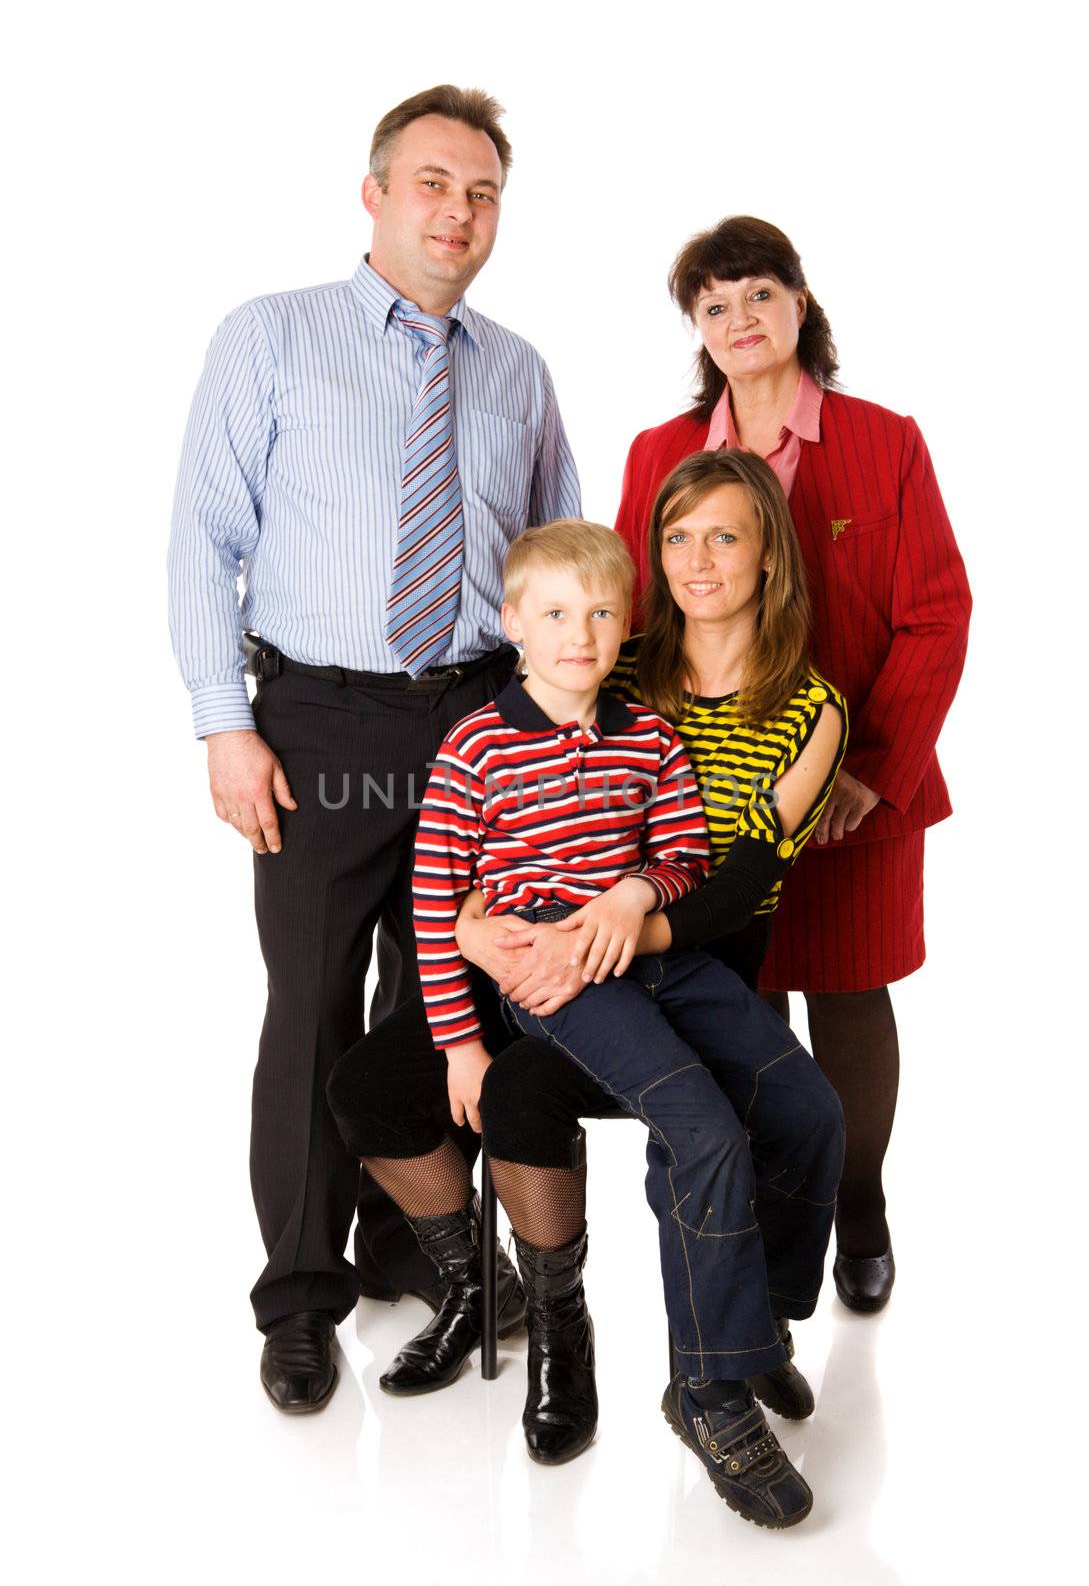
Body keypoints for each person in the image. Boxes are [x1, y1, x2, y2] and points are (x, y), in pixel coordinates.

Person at [167, 84, 580, 1413]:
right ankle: (299, 1296)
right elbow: (203, 540)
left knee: (444, 1007)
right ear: (375, 192)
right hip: (319, 721)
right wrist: (225, 723)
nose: (458, 213)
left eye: (482, 193)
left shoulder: (518, 371)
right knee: (312, 1007)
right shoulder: (271, 339)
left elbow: (558, 560)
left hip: (474, 723)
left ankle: (413, 1239)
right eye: (433, 183)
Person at [329, 482, 847, 1529]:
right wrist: (467, 1030)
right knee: (700, 1126)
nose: (584, 634)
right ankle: (706, 1391)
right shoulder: (487, 740)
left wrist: (630, 895)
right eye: (559, 614)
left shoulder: (667, 726)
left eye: (603, 614)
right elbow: (437, 902)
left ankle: (756, 1333)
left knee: (812, 1111)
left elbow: (698, 861)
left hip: (675, 956)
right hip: (559, 984)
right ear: (513, 622)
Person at [611, 217, 971, 1311]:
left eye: (758, 294)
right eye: (713, 305)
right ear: (699, 331)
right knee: (743, 1006)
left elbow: (935, 612)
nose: (739, 319)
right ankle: (773, 1219)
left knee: (852, 995)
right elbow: (632, 618)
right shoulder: (657, 455)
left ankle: (859, 1204)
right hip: (703, 793)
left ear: (800, 304)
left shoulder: (883, 439)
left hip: (858, 797)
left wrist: (872, 766)